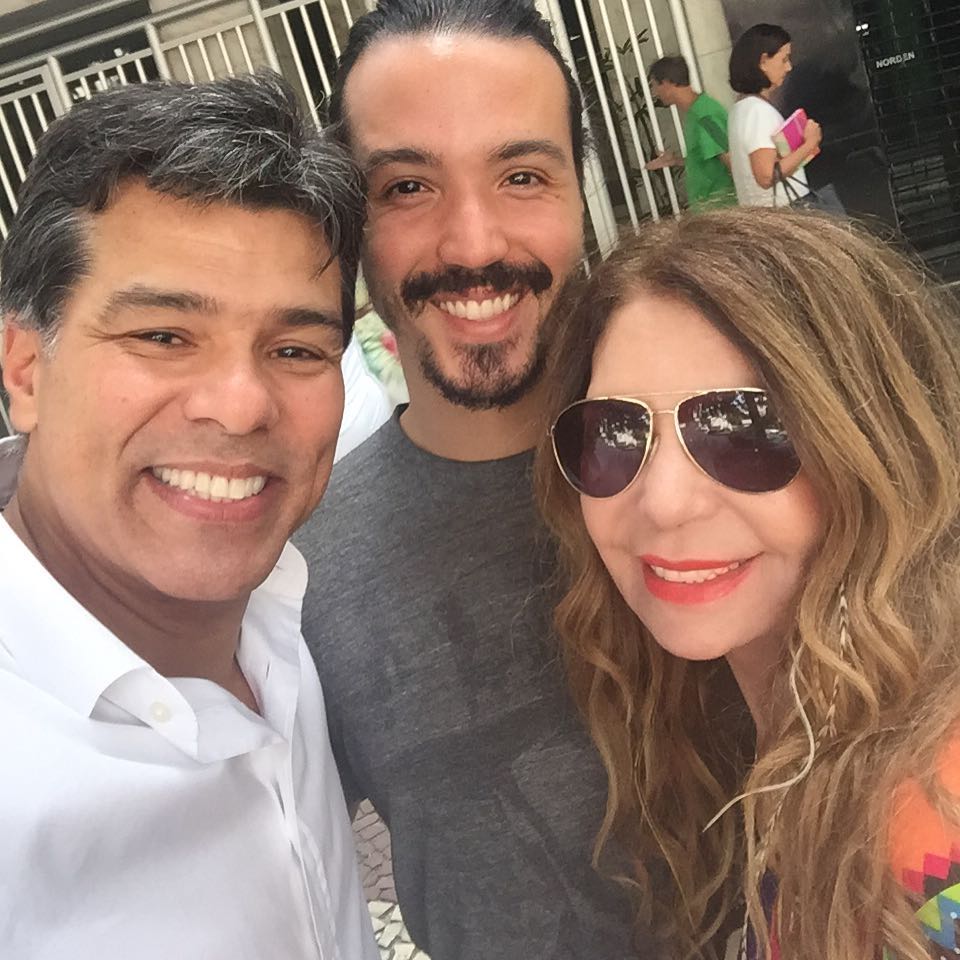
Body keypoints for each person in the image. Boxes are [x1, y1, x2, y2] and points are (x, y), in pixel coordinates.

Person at [294, 1, 649, 957]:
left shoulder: (728, 467)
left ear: (582, 195)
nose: (474, 245)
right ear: (350, 230)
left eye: (522, 176)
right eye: (407, 186)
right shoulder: (295, 575)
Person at [0, 74, 379, 960]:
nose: (240, 406)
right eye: (163, 336)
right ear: (24, 369)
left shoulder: (280, 623)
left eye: (296, 349)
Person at [535, 206, 960, 960]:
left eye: (744, 428)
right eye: (614, 433)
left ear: (876, 451)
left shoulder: (934, 820)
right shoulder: (784, 740)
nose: (664, 503)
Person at [727, 24, 822, 206]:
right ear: (763, 62)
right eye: (784, 59)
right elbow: (766, 176)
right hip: (786, 208)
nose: (789, 67)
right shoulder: (757, 111)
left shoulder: (741, 109)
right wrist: (810, 143)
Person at [645, 56, 737, 211]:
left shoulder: (705, 115)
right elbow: (707, 160)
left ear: (667, 83)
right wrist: (676, 161)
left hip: (722, 210)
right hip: (711, 210)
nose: (654, 93)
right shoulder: (696, 112)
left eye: (654, 86)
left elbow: (731, 160)